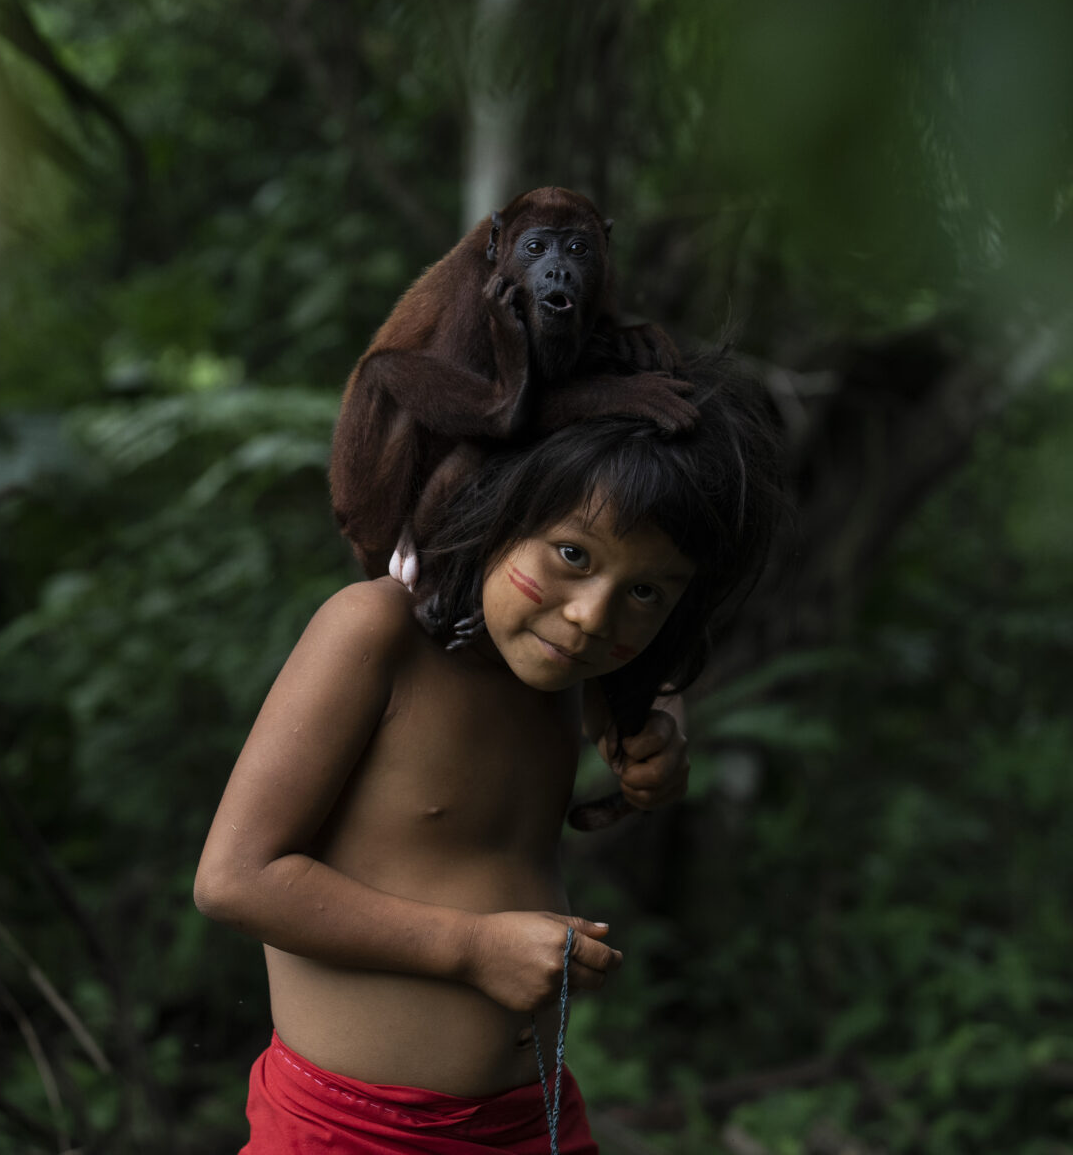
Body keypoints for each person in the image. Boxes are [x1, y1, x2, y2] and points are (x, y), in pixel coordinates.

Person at [193, 360, 782, 1153]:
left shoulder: (572, 669)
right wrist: (471, 949)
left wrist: (658, 732)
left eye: (645, 592)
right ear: (500, 509)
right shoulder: (378, 634)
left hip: (529, 1120)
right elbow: (234, 881)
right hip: (352, 1131)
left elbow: (654, 670)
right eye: (572, 555)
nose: (589, 616)